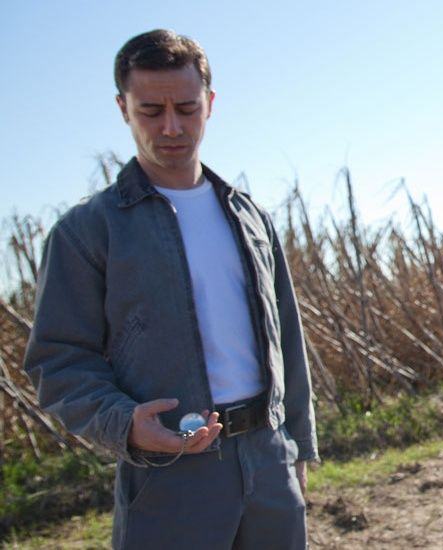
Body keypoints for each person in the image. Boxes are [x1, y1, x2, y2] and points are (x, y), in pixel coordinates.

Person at [23, 29, 317, 549]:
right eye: (150, 111)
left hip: (270, 460)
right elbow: (58, 361)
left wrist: (298, 448)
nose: (172, 126)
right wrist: (126, 426)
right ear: (122, 108)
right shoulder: (88, 230)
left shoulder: (250, 219)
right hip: (170, 471)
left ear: (210, 103)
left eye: (186, 107)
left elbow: (286, 341)